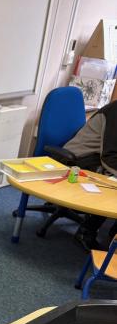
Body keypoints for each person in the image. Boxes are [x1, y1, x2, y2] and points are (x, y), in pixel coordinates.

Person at [63, 100, 117, 251]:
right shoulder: (115, 112)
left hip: (100, 157)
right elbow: (109, 157)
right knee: (111, 183)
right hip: (81, 157)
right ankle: (86, 232)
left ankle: (113, 237)